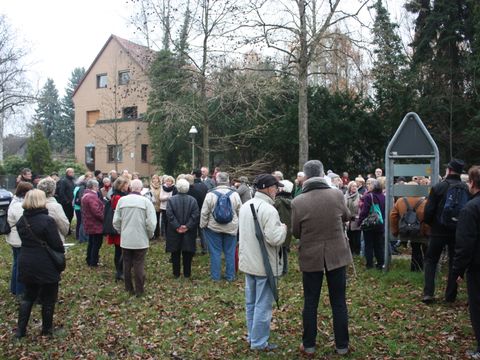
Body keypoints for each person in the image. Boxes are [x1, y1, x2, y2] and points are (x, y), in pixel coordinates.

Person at [292, 160, 352, 356]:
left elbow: (296, 232)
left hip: (311, 256)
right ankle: (342, 345)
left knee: (310, 301)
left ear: (306, 177)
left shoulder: (298, 201)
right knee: (339, 301)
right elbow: (347, 216)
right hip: (336, 254)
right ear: (322, 174)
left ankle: (309, 345)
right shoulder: (336, 194)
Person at [239, 174, 286, 351]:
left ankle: (253, 337)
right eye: (275, 187)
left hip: (248, 262)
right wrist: (283, 229)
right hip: (263, 265)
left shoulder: (245, 206)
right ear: (267, 188)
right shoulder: (269, 210)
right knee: (263, 306)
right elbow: (274, 239)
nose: (277, 190)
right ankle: (259, 342)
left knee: (251, 303)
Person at [15, 189, 65, 338]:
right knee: (48, 299)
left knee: (28, 296)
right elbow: (56, 244)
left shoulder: (21, 221)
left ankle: (20, 331)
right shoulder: (47, 220)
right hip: (45, 263)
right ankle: (47, 330)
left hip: (26, 260)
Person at [422, 159, 467, 304]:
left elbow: (428, 211)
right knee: (454, 262)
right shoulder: (465, 189)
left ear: (448, 170)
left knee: (431, 260)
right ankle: (450, 295)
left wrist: (431, 224)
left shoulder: (438, 187)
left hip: (438, 231)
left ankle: (428, 293)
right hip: (457, 232)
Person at [452, 166, 480, 359]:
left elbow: (465, 243)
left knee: (477, 306)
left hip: (477, 266)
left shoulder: (470, 209)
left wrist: (458, 270)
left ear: (471, 182)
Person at [113, 179, 157, 296]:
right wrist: (149, 234)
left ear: (130, 188)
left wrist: (121, 231)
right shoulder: (146, 202)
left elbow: (116, 220)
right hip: (140, 239)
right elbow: (151, 222)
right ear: (141, 189)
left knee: (126, 264)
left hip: (126, 238)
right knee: (139, 263)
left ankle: (129, 288)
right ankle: (139, 290)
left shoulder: (122, 201)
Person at [200, 172, 242, 281]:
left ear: (217, 180)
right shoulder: (235, 194)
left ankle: (215, 277)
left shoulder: (210, 194)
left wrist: (203, 225)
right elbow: (240, 211)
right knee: (230, 252)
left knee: (215, 252)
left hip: (213, 227)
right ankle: (230, 276)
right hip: (231, 228)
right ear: (228, 180)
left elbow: (204, 212)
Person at [389, 181, 429, 271]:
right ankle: (425, 268)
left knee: (415, 247)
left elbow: (393, 216)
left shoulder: (400, 201)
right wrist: (427, 232)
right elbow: (428, 218)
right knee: (424, 249)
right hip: (421, 231)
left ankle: (415, 268)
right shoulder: (425, 202)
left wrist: (395, 231)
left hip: (406, 230)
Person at [165, 179, 200, 278]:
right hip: (187, 230)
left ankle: (176, 273)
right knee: (187, 252)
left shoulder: (172, 200)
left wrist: (179, 226)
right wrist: (186, 226)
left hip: (175, 230)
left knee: (175, 252)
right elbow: (195, 215)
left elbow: (169, 215)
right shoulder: (193, 200)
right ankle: (187, 273)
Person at [6, 181, 34, 297]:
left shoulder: (16, 202)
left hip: (16, 238)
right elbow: (23, 222)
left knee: (17, 263)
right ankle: (20, 291)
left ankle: (15, 288)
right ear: (25, 192)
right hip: (18, 239)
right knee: (20, 265)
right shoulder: (18, 205)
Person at [358, 178, 385, 270]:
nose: (368, 186)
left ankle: (369, 265)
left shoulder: (369, 196)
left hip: (370, 224)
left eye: (370, 184)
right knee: (379, 245)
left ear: (374, 186)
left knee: (368, 245)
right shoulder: (383, 196)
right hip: (380, 223)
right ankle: (381, 264)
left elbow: (365, 211)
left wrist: (360, 221)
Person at [107, 176, 130, 280]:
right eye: (126, 184)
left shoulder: (119, 195)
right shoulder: (117, 197)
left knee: (119, 250)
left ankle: (120, 270)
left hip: (120, 227)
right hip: (119, 227)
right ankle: (119, 271)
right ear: (121, 185)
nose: (128, 186)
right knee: (120, 250)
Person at [37, 177, 70, 244]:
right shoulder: (55, 206)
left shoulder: (34, 204)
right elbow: (64, 225)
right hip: (54, 239)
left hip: (37, 241)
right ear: (53, 190)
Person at [81, 179, 105, 267]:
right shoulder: (91, 196)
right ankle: (93, 262)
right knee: (96, 243)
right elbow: (96, 211)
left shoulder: (86, 195)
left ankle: (89, 259)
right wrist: (104, 218)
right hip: (95, 224)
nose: (98, 189)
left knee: (91, 242)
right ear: (94, 187)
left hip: (90, 223)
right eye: (97, 186)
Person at [274, 179, 293, 275]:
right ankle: (285, 269)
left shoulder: (278, 201)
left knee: (278, 250)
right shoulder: (292, 200)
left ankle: (280, 269)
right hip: (288, 228)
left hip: (279, 227)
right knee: (285, 249)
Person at [191, 169, 209, 254]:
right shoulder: (204, 186)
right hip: (203, 210)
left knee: (193, 231)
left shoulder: (192, 186)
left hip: (194, 211)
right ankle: (205, 249)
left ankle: (193, 249)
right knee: (202, 230)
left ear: (194, 175)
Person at [345, 181, 362, 255]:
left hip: (356, 221)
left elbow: (362, 208)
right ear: (349, 187)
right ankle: (350, 255)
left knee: (357, 240)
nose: (355, 187)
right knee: (349, 240)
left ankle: (357, 255)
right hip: (348, 222)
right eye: (353, 186)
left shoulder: (360, 196)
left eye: (356, 186)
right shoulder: (344, 196)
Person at [147, 174, 162, 239]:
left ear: (158, 179)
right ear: (152, 180)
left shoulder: (161, 187)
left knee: (158, 221)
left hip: (158, 206)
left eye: (156, 178)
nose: (155, 180)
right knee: (151, 221)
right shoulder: (149, 187)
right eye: (153, 178)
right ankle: (151, 234)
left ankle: (157, 234)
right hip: (151, 206)